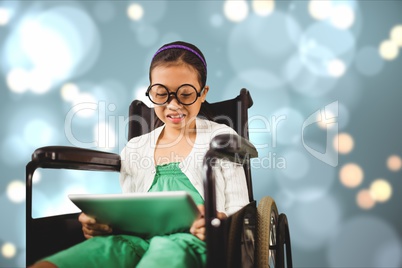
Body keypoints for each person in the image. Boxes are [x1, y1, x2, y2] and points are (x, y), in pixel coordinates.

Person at [31, 41, 250, 268]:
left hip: (194, 242)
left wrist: (220, 225)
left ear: (203, 93)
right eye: (161, 94)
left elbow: (241, 211)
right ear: (151, 92)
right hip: (136, 240)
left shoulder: (222, 139)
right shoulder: (136, 147)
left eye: (185, 94)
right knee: (99, 250)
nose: (173, 105)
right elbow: (130, 210)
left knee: (166, 251)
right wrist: (101, 224)